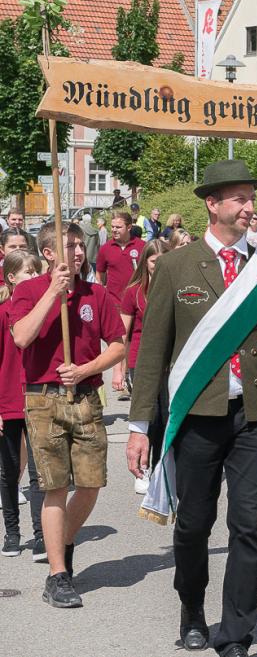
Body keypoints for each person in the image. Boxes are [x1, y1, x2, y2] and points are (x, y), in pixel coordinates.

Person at [125, 159, 257, 655]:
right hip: (198, 418)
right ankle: (191, 606)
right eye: (240, 199)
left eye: (252, 198)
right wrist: (140, 425)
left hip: (253, 416)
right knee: (193, 524)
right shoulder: (177, 267)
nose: (250, 207)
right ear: (213, 204)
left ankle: (236, 634)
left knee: (250, 524)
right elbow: (153, 352)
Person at [11, 222, 126, 608]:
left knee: (91, 484)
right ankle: (58, 574)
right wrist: (52, 293)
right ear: (48, 254)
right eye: (69, 246)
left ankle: (63, 542)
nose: (78, 252)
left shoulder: (97, 293)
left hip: (86, 396)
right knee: (55, 487)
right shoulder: (27, 291)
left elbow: (118, 346)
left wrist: (86, 367)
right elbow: (21, 336)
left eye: (80, 245)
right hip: (42, 399)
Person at [0, 250, 45, 560]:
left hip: (38, 396)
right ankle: (12, 532)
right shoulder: (3, 312)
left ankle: (42, 535)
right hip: (7, 398)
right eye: (29, 273)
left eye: (36, 272)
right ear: (12, 278)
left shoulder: (40, 310)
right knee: (9, 469)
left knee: (40, 471)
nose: (35, 278)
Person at [118, 238, 171, 493]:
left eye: (162, 261)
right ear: (145, 262)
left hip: (170, 362)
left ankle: (162, 466)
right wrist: (120, 369)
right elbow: (123, 334)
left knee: (166, 416)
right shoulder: (134, 292)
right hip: (141, 361)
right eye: (153, 261)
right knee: (149, 417)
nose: (157, 266)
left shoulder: (175, 287)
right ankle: (143, 467)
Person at [96, 210, 144, 303]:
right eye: (112, 226)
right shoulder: (105, 248)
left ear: (129, 227)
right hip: (114, 303)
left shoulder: (142, 246)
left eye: (118, 227)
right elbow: (99, 275)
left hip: (137, 301)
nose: (114, 230)